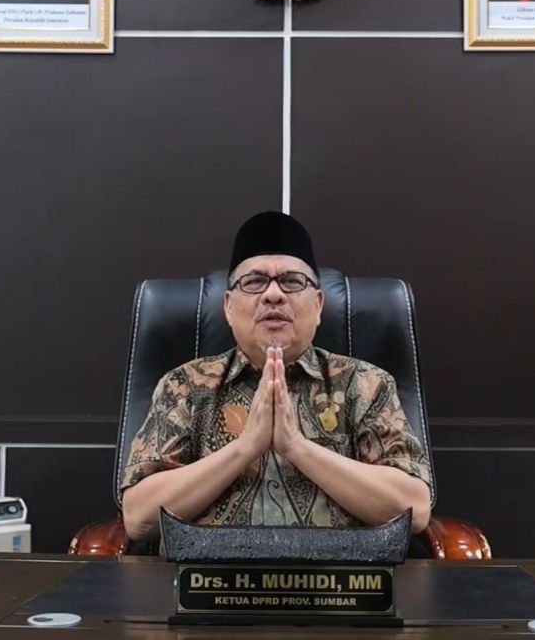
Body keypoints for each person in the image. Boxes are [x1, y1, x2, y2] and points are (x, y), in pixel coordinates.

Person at [121, 211, 432, 542]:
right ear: (228, 306)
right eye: (254, 282)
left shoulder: (364, 384)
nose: (273, 294)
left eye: (292, 281)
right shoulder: (185, 386)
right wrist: (245, 448)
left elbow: (413, 510)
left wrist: (296, 447)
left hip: (337, 574)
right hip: (209, 574)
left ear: (318, 305)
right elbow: (139, 518)